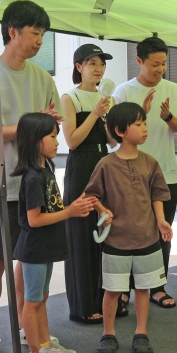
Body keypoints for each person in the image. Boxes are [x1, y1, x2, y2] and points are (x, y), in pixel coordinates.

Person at [0, 0, 63, 353]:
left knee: (30, 259)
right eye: (35, 33)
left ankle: (28, 328)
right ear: (12, 32)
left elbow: (53, 124)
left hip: (35, 182)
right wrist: (28, 124)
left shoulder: (43, 78)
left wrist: (44, 125)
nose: (39, 41)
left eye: (43, 34)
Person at [84, 102, 172, 353]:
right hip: (115, 241)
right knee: (112, 291)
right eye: (138, 124)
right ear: (120, 131)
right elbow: (91, 195)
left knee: (143, 289)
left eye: (145, 123)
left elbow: (158, 195)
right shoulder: (106, 164)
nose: (145, 128)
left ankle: (141, 332)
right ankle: (108, 333)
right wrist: (102, 210)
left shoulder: (150, 162)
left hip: (147, 238)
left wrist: (161, 220)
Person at [12, 112, 96, 353]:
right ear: (36, 141)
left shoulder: (46, 171)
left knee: (41, 298)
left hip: (45, 248)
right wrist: (70, 211)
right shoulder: (33, 177)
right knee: (33, 302)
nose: (58, 141)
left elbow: (53, 208)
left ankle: (45, 344)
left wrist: (75, 205)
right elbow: (34, 219)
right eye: (52, 136)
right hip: (35, 249)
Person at [113, 36, 177, 309]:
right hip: (129, 175)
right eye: (154, 64)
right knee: (128, 233)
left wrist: (168, 117)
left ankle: (157, 287)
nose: (160, 69)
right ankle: (124, 290)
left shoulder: (173, 89)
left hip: (165, 175)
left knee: (163, 232)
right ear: (139, 61)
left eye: (164, 63)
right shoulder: (123, 92)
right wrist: (142, 113)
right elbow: (113, 136)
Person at [61, 43, 116, 325]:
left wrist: (113, 119)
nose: (99, 68)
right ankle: (82, 305)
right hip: (81, 165)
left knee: (106, 232)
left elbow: (112, 141)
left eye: (102, 64)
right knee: (82, 235)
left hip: (104, 163)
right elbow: (71, 141)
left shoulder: (107, 98)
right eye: (92, 63)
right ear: (78, 67)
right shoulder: (69, 97)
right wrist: (95, 113)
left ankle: (107, 301)